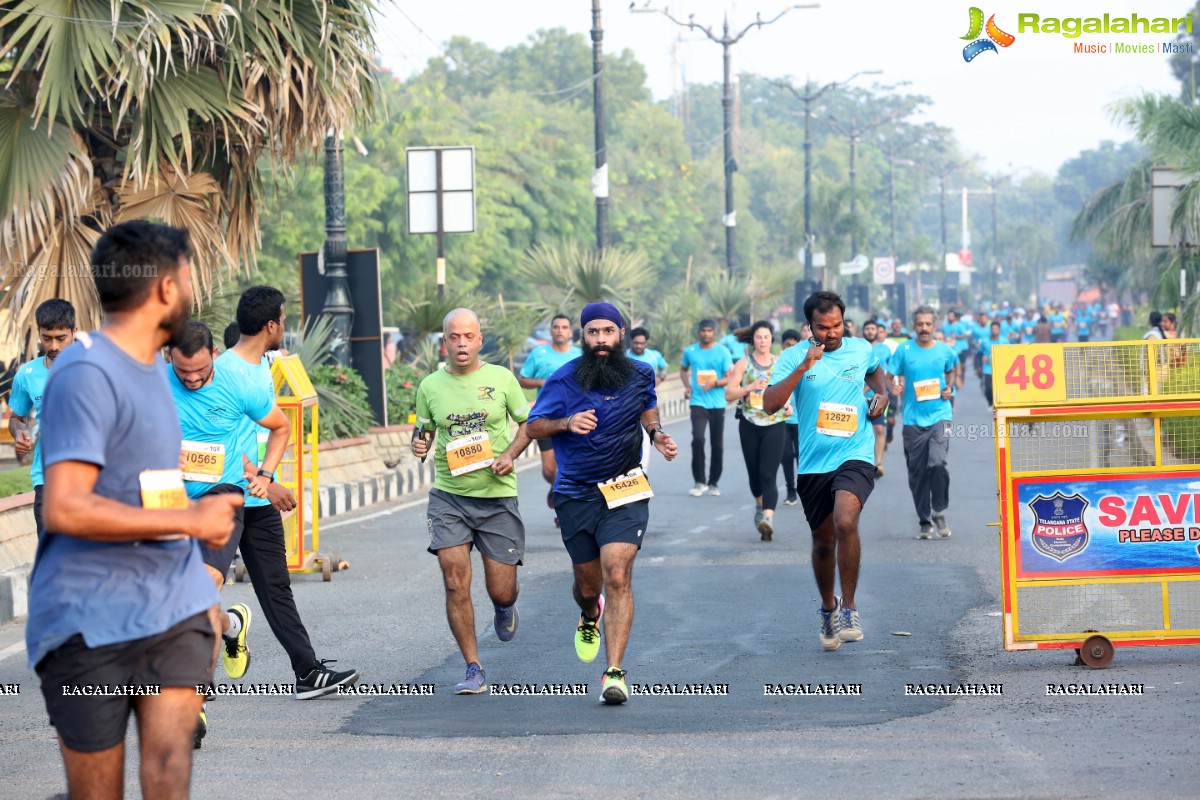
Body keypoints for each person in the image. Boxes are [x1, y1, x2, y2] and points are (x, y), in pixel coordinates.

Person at [27, 220, 240, 800]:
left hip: (173, 608)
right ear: (166, 288)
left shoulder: (153, 368)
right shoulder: (86, 372)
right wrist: (188, 522)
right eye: (189, 278)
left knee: (169, 777)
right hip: (89, 622)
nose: (193, 292)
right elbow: (67, 508)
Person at [526, 302, 678, 704]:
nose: (601, 341)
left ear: (621, 334)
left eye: (608, 332)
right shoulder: (562, 380)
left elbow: (648, 406)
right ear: (583, 336)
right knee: (589, 584)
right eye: (593, 333)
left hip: (625, 488)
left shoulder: (641, 373)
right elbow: (533, 425)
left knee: (617, 573)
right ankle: (590, 613)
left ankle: (614, 672)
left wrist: (657, 433)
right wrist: (565, 423)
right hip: (576, 493)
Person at [224, 287, 360, 702]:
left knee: (276, 588)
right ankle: (223, 637)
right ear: (270, 325)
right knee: (197, 591)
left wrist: (265, 481)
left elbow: (263, 431)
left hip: (257, 499)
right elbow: (223, 444)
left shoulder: (262, 366)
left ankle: (307, 672)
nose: (286, 326)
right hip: (223, 498)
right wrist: (267, 479)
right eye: (283, 319)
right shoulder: (227, 373)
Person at [414, 308, 531, 695]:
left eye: (468, 336)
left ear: (480, 340)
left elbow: (528, 423)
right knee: (454, 582)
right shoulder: (430, 386)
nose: (461, 343)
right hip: (449, 496)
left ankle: (503, 606)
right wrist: (419, 443)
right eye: (453, 337)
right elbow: (425, 430)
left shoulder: (501, 379)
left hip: (496, 497)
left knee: (501, 588)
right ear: (444, 342)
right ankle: (473, 667)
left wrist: (511, 454)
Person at [763, 291, 888, 651]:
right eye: (823, 327)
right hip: (815, 462)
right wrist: (803, 366)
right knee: (823, 541)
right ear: (810, 327)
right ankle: (828, 607)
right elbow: (770, 404)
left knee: (845, 521)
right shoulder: (792, 357)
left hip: (855, 453)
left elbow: (878, 378)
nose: (832, 333)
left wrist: (881, 398)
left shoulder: (861, 349)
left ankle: (850, 608)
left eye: (837, 325)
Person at [8, 298, 77, 540]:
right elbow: (16, 417)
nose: (54, 345)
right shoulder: (27, 374)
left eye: (61, 338)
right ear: (39, 333)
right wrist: (19, 433)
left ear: (74, 332)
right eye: (47, 338)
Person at [889, 307, 958, 539]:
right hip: (912, 420)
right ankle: (925, 520)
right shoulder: (904, 350)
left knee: (937, 463)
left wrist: (950, 388)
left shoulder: (944, 350)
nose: (924, 328)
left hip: (941, 414)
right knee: (917, 473)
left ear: (934, 326)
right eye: (920, 324)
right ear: (914, 326)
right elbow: (890, 375)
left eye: (928, 324)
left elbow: (951, 370)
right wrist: (894, 386)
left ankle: (939, 509)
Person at [725, 321, 792, 540]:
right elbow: (729, 393)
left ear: (772, 339)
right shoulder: (744, 364)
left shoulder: (780, 363)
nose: (763, 341)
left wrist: (788, 404)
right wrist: (749, 388)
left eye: (766, 337)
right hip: (749, 423)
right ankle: (760, 505)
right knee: (754, 474)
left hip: (775, 422)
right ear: (753, 340)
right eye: (759, 337)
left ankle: (768, 519)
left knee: (768, 474)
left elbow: (787, 388)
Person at [519, 314, 581, 521]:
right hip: (545, 417)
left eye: (564, 327)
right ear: (551, 331)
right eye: (556, 327)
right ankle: (556, 486)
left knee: (574, 465)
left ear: (570, 332)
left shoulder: (579, 355)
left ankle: (564, 504)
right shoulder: (539, 354)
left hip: (574, 417)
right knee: (549, 469)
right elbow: (523, 380)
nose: (560, 330)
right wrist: (542, 383)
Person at [680, 319, 733, 496]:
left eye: (709, 330)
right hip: (698, 402)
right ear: (699, 332)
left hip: (717, 403)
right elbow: (683, 369)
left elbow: (729, 377)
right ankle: (699, 481)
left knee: (717, 444)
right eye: (703, 330)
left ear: (714, 333)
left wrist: (715, 383)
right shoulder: (690, 351)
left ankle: (713, 483)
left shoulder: (723, 352)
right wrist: (687, 386)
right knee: (698, 439)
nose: (706, 334)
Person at [861, 320, 892, 478]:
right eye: (868, 328)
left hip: (877, 396)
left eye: (873, 329)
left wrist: (893, 387)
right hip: (858, 397)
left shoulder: (885, 349)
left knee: (879, 429)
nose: (871, 331)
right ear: (863, 331)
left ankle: (878, 463)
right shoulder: (858, 349)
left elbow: (888, 371)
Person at [778, 329, 802, 506]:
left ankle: (805, 489)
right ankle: (790, 491)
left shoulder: (806, 365)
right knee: (786, 457)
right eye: (787, 345)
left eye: (794, 345)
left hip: (802, 420)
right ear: (782, 346)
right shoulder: (778, 365)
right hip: (783, 420)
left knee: (801, 456)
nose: (790, 348)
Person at [980, 320, 1003, 407]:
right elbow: (979, 352)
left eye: (996, 328)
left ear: (999, 330)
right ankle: (990, 402)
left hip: (1000, 368)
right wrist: (982, 358)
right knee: (988, 389)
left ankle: (999, 404)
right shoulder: (985, 341)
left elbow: (1009, 352)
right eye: (992, 328)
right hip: (988, 368)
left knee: (999, 389)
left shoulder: (1004, 340)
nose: (994, 330)